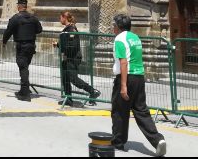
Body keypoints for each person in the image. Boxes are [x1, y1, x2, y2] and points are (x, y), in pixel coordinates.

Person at [110, 13, 166, 156]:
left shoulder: (119, 39)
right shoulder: (135, 38)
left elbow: (123, 62)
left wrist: (123, 86)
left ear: (118, 26)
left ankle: (118, 142)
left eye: (113, 25)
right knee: (141, 111)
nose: (112, 28)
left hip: (126, 77)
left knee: (119, 111)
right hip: (139, 77)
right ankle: (158, 140)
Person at [55, 11, 101, 107]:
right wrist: (58, 45)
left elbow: (72, 45)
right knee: (65, 78)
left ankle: (92, 91)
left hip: (72, 58)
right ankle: (68, 98)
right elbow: (66, 43)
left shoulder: (71, 29)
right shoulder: (67, 29)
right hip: (68, 57)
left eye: (60, 18)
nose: (60, 20)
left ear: (64, 18)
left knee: (73, 79)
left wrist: (63, 49)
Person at [2, 0, 42, 101]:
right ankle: (24, 89)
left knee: (23, 68)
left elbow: (8, 31)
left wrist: (4, 41)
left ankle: (25, 94)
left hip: (22, 46)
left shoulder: (16, 18)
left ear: (19, 6)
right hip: (31, 46)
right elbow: (39, 29)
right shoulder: (33, 18)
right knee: (25, 67)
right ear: (26, 6)